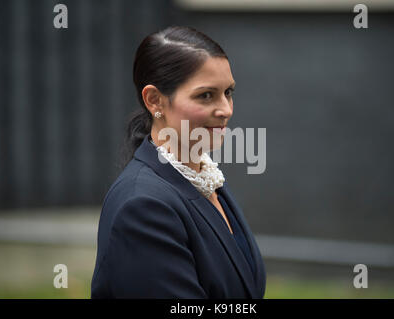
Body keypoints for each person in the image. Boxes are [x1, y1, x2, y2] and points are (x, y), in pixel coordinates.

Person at [91, 25, 266, 298]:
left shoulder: (206, 181)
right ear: (154, 100)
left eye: (228, 92)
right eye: (206, 95)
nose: (225, 110)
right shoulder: (143, 207)